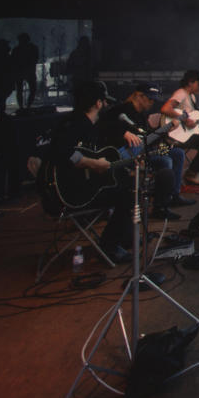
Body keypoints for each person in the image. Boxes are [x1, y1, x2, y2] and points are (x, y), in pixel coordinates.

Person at [49, 80, 135, 262]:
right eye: (104, 101)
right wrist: (93, 164)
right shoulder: (75, 124)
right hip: (70, 194)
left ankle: (124, 238)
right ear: (98, 103)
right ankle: (109, 247)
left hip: (77, 187)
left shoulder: (86, 124)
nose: (106, 105)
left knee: (124, 182)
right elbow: (62, 151)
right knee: (127, 196)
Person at [102, 83, 191, 220]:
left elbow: (147, 139)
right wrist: (123, 133)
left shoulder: (142, 115)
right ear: (139, 96)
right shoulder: (119, 110)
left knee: (177, 153)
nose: (152, 102)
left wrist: (166, 133)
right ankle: (160, 207)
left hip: (142, 152)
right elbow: (103, 126)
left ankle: (173, 195)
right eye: (150, 99)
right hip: (122, 156)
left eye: (154, 100)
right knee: (165, 161)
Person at [12, 32, 39, 109]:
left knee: (20, 90)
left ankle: (22, 107)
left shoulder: (16, 49)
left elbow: (13, 61)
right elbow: (35, 59)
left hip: (21, 72)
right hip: (28, 71)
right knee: (32, 90)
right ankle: (27, 106)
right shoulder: (33, 48)